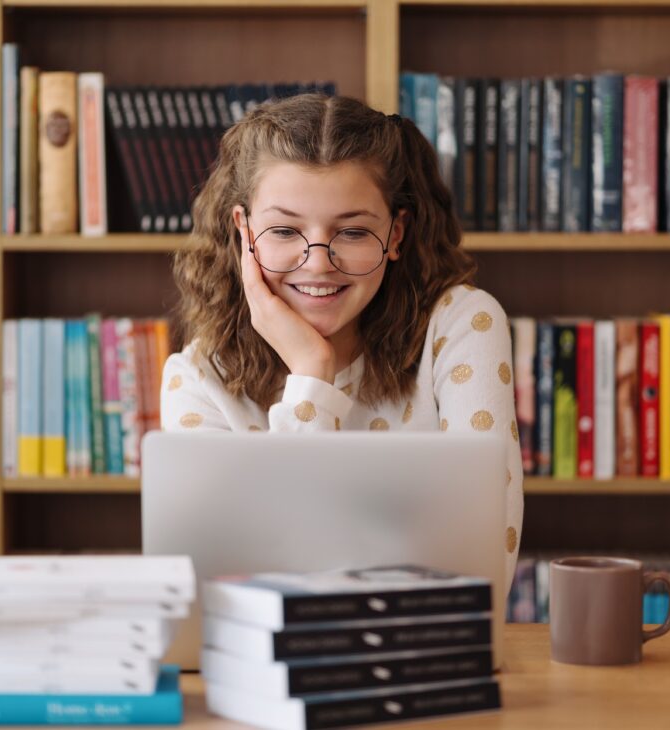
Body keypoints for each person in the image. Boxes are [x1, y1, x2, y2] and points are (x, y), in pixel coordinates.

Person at [161, 93, 523, 586]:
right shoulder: (197, 379)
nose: (317, 263)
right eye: (285, 230)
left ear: (396, 234)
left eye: (352, 232)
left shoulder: (463, 325)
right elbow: (233, 591)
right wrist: (312, 374)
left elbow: (484, 572)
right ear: (244, 231)